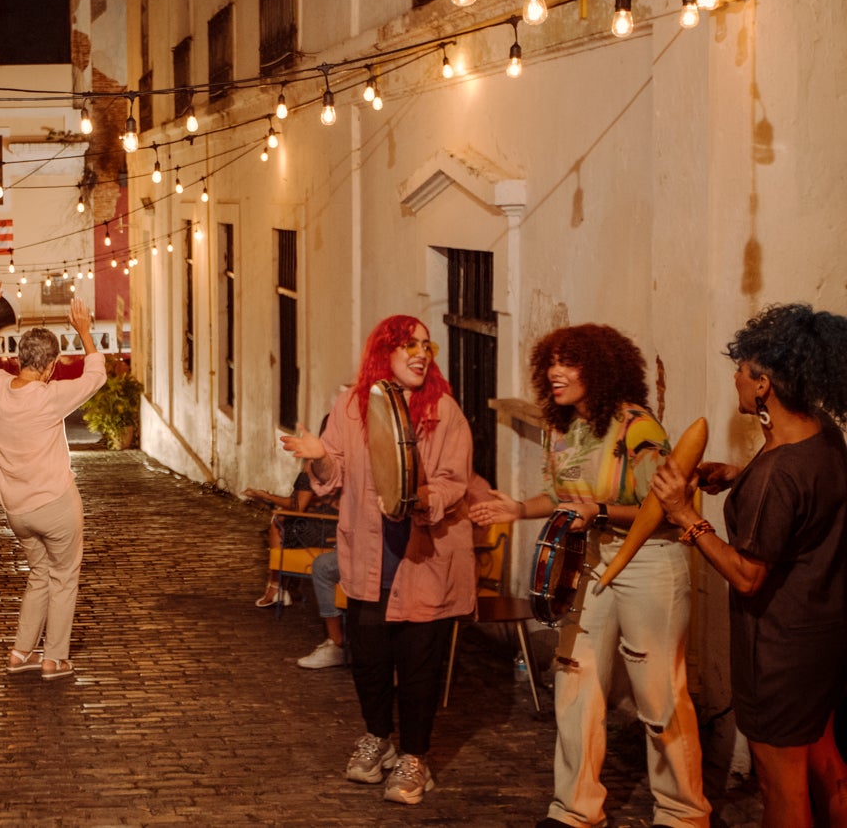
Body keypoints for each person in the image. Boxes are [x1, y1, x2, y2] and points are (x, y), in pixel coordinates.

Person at [471, 324, 709, 828]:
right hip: (588, 559)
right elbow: (564, 498)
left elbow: (663, 509)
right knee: (575, 682)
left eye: (569, 362)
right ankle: (575, 811)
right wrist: (518, 509)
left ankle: (683, 814)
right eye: (551, 362)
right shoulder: (561, 428)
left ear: (600, 369)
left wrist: (599, 511)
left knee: (659, 694)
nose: (555, 373)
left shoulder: (636, 427)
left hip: (648, 560)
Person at [650, 304, 847, 828]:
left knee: (781, 786)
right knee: (827, 767)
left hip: (779, 651)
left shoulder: (779, 473)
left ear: (763, 385)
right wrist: (741, 476)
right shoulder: (822, 434)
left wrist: (685, 515)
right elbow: (803, 501)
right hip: (824, 638)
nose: (735, 377)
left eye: (740, 369)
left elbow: (747, 575)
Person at [279, 315, 475, 805]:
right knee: (368, 661)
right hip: (369, 557)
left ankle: (415, 758)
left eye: (427, 346)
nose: (421, 353)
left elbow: (454, 481)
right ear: (385, 351)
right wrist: (319, 454)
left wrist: (421, 496)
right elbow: (334, 475)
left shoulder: (443, 410)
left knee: (418, 666)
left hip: (424, 558)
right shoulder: (352, 406)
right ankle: (377, 738)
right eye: (409, 344)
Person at [0, 277, 107, 680]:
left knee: (39, 575)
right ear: (50, 366)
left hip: (17, 511)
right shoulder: (49, 396)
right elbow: (96, 376)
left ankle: (21, 652)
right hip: (56, 505)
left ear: (18, 359)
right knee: (63, 577)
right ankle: (54, 659)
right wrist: (84, 332)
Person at [244, 451, 346, 670]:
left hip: (320, 528)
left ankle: (276, 587)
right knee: (280, 519)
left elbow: (298, 505)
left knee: (278, 522)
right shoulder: (337, 466)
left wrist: (268, 497)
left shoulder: (313, 469)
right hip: (330, 525)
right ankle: (284, 587)